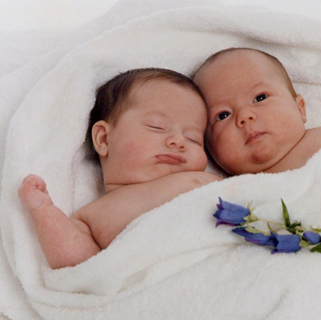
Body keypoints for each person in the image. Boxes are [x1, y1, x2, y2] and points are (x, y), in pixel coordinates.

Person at [18, 68, 221, 269]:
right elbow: (78, 268)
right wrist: (44, 211)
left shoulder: (210, 180)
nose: (178, 141)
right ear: (104, 138)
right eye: (156, 126)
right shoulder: (93, 216)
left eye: (193, 138)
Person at [193, 47, 321, 175]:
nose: (244, 116)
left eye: (260, 98)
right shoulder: (232, 193)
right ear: (209, 148)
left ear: (300, 109)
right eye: (223, 115)